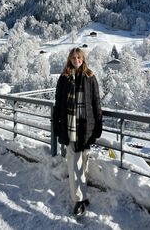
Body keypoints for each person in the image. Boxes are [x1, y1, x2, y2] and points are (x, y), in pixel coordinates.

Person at [53, 47, 102, 216]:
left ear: (83, 58)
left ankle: (83, 194)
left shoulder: (90, 77)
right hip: (69, 125)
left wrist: (98, 125)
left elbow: (96, 102)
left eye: (79, 57)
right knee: (74, 162)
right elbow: (58, 102)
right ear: (69, 59)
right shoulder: (64, 78)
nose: (76, 60)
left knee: (84, 161)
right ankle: (79, 199)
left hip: (86, 125)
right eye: (73, 57)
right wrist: (56, 125)